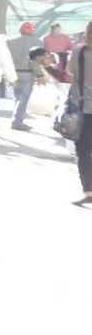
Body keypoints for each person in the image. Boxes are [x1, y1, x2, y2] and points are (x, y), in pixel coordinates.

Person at [6, 21, 45, 131]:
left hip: (12, 73)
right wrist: (40, 75)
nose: (33, 30)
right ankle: (17, 121)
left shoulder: (10, 41)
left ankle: (17, 118)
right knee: (23, 99)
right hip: (27, 73)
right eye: (32, 28)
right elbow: (35, 61)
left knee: (17, 97)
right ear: (28, 29)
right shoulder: (37, 42)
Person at [69, 22, 92, 206]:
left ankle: (88, 191)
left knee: (83, 150)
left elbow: (70, 74)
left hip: (85, 109)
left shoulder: (80, 52)